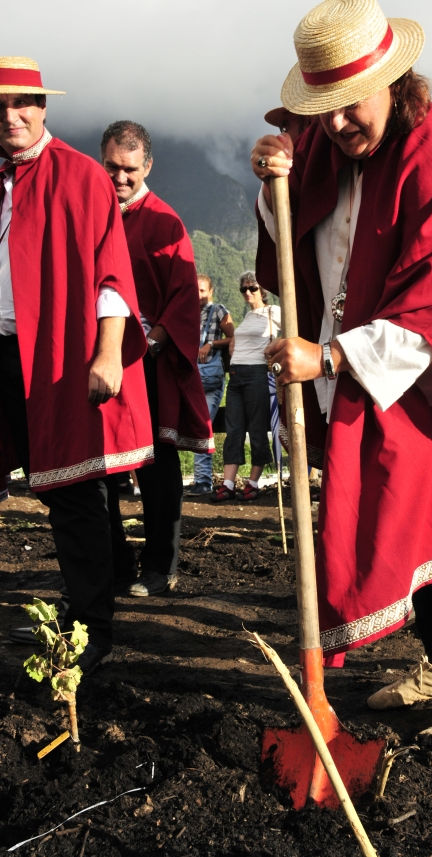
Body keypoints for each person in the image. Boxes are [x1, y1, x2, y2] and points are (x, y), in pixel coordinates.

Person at [251, 0, 432, 741]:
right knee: (406, 509)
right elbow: (297, 233)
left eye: (352, 104)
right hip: (381, 369)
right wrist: (271, 179)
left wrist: (332, 356)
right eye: (324, 108)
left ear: (394, 83)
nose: (338, 122)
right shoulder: (324, 147)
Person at [0, 57, 153, 672]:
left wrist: (109, 352)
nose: (11, 116)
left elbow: (111, 271)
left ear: (43, 107)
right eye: (0, 105)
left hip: (56, 354)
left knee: (72, 488)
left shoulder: (82, 176)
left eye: (22, 103)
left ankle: (91, 626)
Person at [100, 120, 213, 596]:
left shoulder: (166, 222)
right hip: (97, 359)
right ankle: (113, 562)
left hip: (147, 360)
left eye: (129, 169)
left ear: (147, 166)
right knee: (99, 465)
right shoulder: (92, 212)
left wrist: (151, 344)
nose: (120, 177)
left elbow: (184, 296)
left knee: (155, 465)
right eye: (112, 167)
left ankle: (160, 565)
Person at [212, 272, 280, 502]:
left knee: (257, 428)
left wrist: (275, 347)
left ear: (263, 290)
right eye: (244, 289)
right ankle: (228, 484)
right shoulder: (250, 315)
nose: (248, 292)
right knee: (234, 429)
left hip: (257, 374)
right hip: (236, 375)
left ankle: (252, 483)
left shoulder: (273, 312)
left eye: (253, 288)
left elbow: (293, 330)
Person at [186, 274, 234, 495]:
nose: (198, 295)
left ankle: (203, 481)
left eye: (202, 291)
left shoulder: (218, 310)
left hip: (211, 379)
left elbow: (234, 337)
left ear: (211, 291)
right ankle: (200, 480)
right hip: (191, 378)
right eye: (195, 290)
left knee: (203, 426)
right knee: (194, 427)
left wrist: (211, 344)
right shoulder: (188, 312)